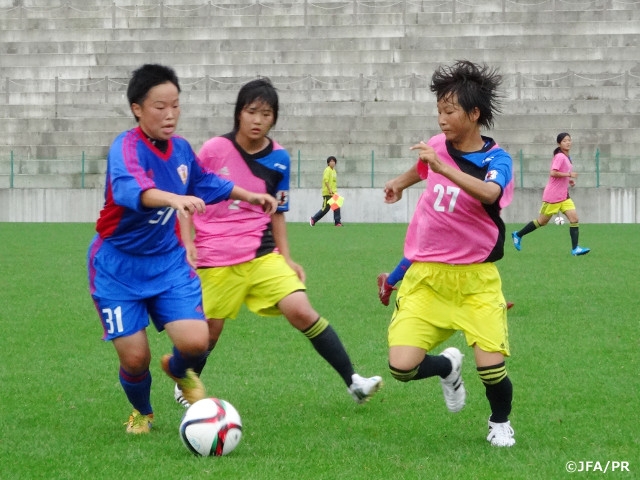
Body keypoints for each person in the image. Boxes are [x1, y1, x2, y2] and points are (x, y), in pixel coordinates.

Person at [86, 64, 278, 435]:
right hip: (117, 267)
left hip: (169, 262)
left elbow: (207, 182)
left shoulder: (181, 149)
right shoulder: (125, 148)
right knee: (136, 357)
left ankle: (177, 370)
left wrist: (249, 194)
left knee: (196, 341)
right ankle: (143, 412)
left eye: (176, 105)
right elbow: (133, 191)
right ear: (137, 109)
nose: (170, 114)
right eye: (160, 106)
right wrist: (175, 199)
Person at [175, 78, 382, 408]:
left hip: (261, 252)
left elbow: (278, 212)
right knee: (209, 332)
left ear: (274, 118)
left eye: (266, 113)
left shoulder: (280, 159)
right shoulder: (215, 149)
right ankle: (186, 380)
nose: (258, 120)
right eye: (251, 111)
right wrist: (188, 242)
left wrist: (286, 257)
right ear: (238, 114)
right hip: (215, 255)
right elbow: (186, 196)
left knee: (301, 311)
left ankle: (354, 382)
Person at [382, 60, 516, 447]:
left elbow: (490, 193)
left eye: (449, 111)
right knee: (401, 367)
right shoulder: (438, 146)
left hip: (476, 281)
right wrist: (401, 183)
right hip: (428, 278)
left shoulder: (497, 160)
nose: (441, 119)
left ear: (474, 114)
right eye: (439, 110)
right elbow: (423, 168)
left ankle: (500, 421)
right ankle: (447, 367)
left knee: (492, 371)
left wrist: (441, 164)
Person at [511, 132, 590, 256]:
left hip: (564, 196)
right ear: (559, 143)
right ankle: (518, 234)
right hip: (553, 196)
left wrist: (569, 181)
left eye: (569, 140)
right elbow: (553, 173)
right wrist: (569, 175)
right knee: (542, 222)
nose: (568, 142)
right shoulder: (560, 156)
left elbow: (561, 174)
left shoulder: (567, 157)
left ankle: (575, 249)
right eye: (564, 141)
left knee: (574, 219)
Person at [377, 257, 514, 310]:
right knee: (424, 251)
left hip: (458, 206)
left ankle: (492, 301)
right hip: (444, 208)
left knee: (475, 254)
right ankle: (388, 282)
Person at [309, 156, 342, 226]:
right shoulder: (327, 170)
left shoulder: (334, 171)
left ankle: (337, 222)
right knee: (325, 209)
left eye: (334, 161)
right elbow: (326, 180)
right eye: (331, 161)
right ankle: (313, 219)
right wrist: (329, 189)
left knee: (336, 207)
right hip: (327, 193)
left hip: (333, 193)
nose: (332, 163)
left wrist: (334, 192)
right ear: (328, 163)